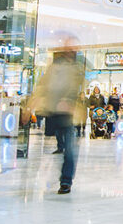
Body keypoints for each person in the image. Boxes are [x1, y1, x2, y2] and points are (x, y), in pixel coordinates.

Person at [31, 43, 85, 194]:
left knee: (70, 149)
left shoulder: (76, 69)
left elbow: (76, 88)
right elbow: (43, 87)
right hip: (54, 111)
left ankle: (66, 181)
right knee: (64, 144)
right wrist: (32, 105)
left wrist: (68, 101)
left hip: (67, 113)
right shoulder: (55, 69)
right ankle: (64, 176)